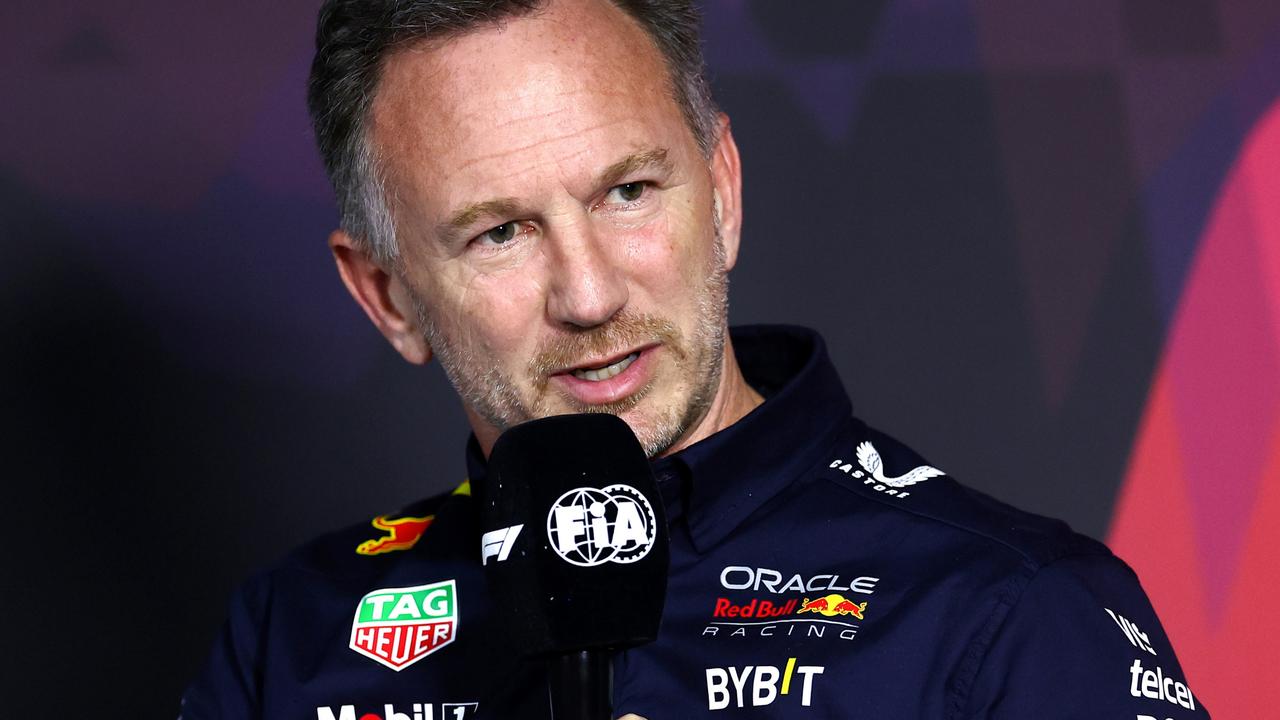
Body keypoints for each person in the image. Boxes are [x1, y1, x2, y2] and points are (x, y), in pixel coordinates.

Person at [182, 1, 1210, 718]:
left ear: (719, 190)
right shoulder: (294, 640)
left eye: (627, 192)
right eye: (498, 233)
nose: (588, 296)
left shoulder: (1010, 611)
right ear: (387, 294)